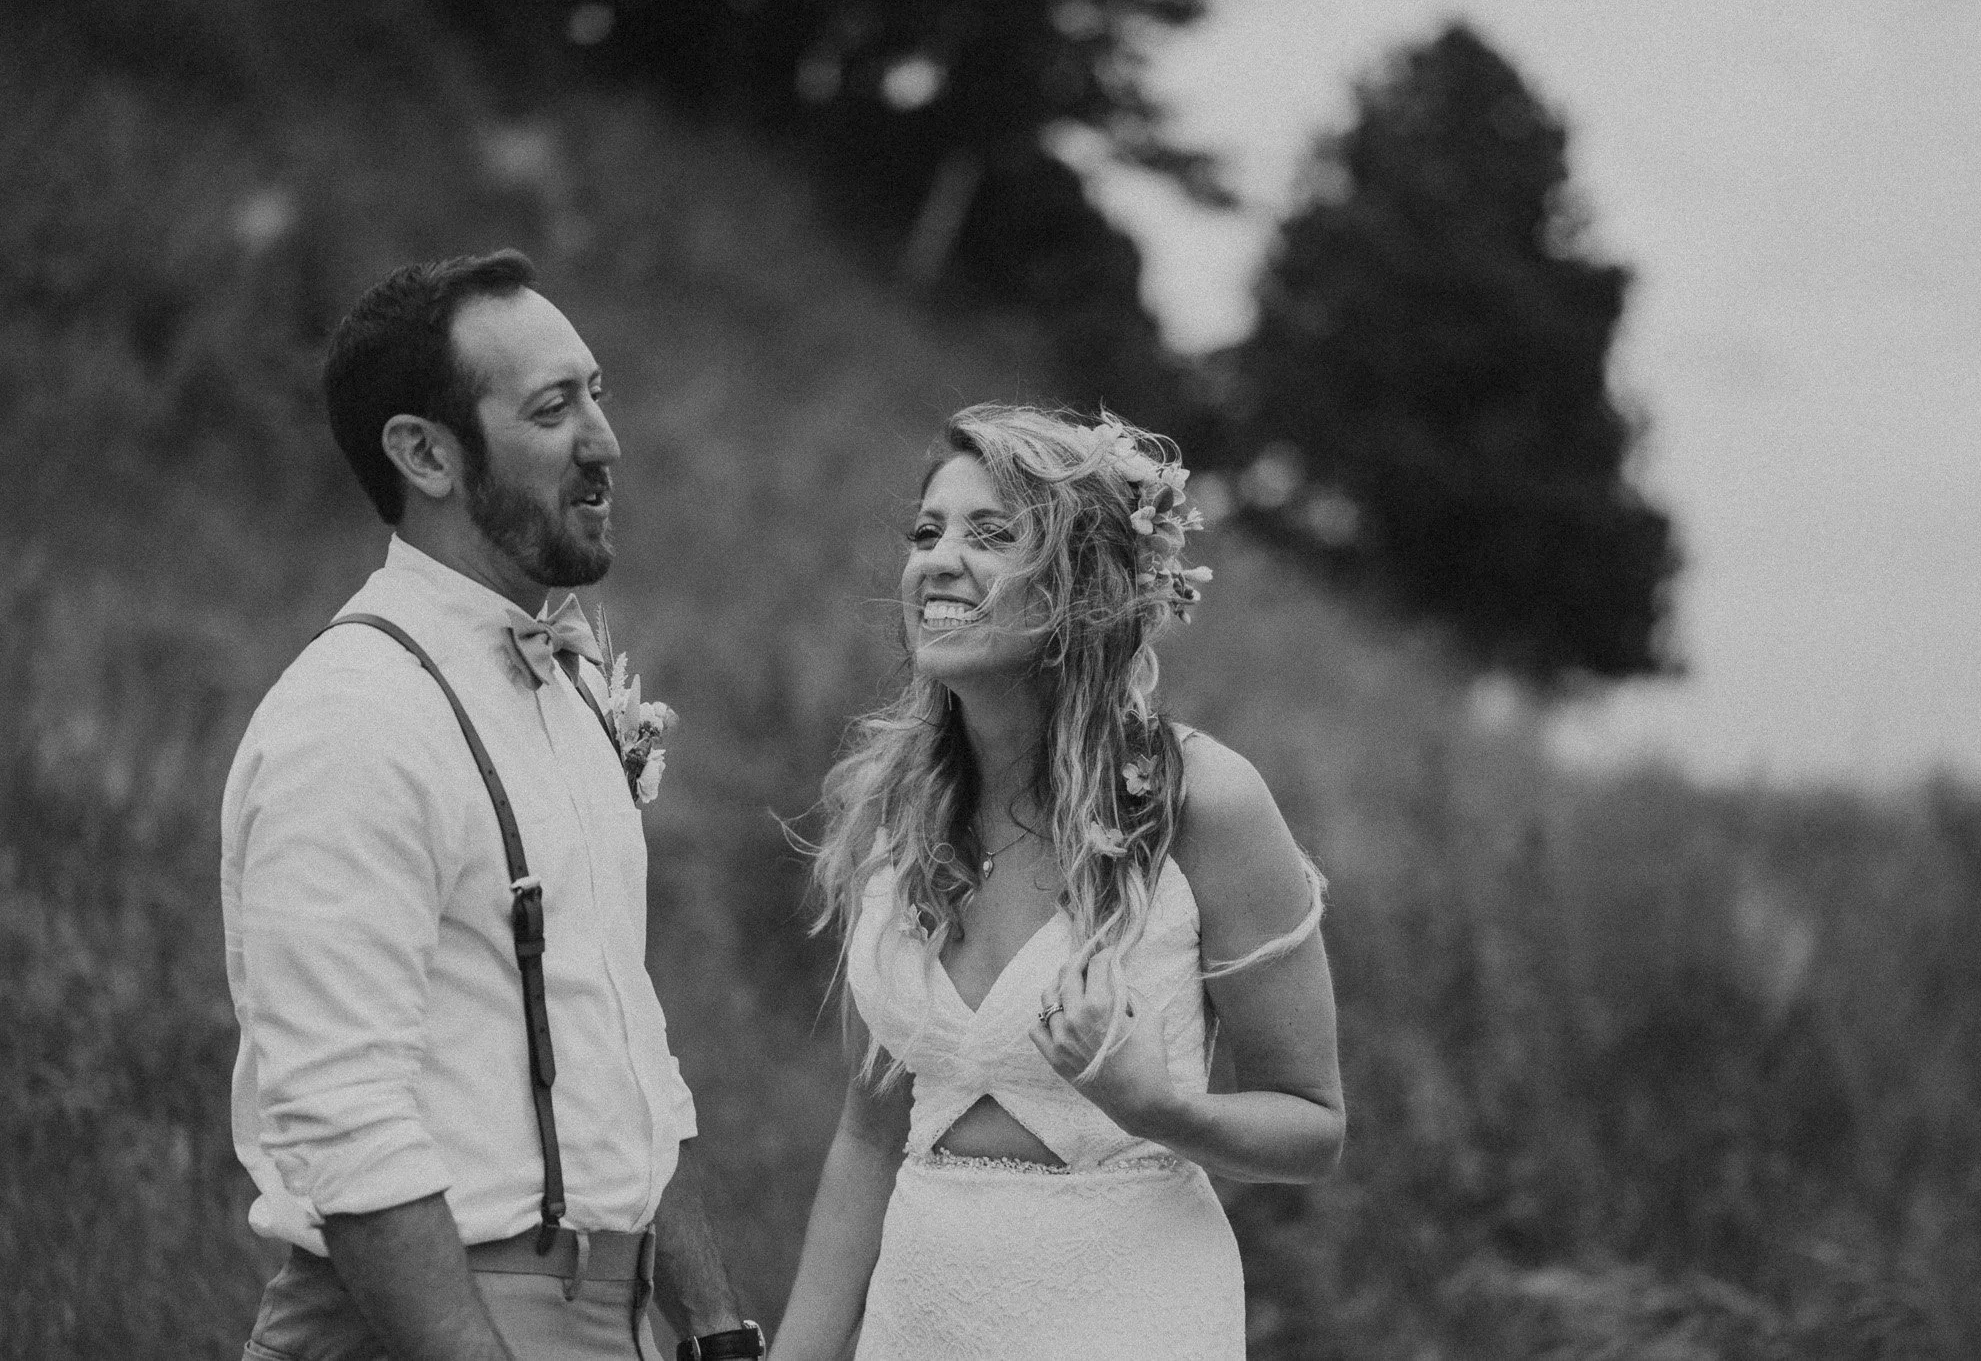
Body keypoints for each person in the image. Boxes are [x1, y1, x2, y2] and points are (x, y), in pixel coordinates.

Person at [221, 250, 763, 1361]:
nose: (606, 442)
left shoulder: (560, 685)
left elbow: (624, 1039)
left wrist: (712, 1325)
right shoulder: (353, 716)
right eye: (554, 409)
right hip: (432, 1316)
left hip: (617, 1313)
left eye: (597, 395)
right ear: (423, 452)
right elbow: (341, 1108)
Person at [770, 405, 1346, 1360]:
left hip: (1128, 1316)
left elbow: (1314, 1126)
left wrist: (1157, 1106)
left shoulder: (1206, 801)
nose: (938, 560)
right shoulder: (897, 809)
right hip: (922, 1321)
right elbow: (870, 1140)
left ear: (1083, 586)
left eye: (991, 534)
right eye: (928, 531)